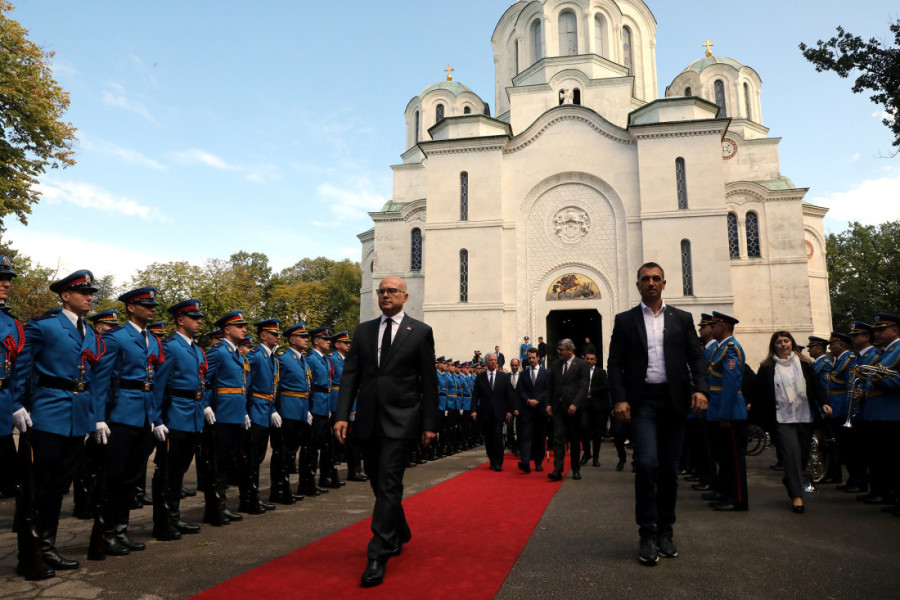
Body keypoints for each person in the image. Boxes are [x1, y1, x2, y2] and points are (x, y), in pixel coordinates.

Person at [333, 276, 439, 588]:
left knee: (390, 481)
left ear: (405, 297)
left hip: (403, 418)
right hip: (369, 418)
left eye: (392, 291)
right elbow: (350, 375)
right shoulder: (364, 331)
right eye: (381, 291)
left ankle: (378, 553)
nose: (385, 295)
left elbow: (429, 381)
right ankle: (399, 529)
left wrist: (430, 424)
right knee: (377, 480)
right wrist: (342, 415)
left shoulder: (420, 331)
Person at [607, 262, 708, 566]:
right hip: (643, 403)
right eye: (645, 279)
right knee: (647, 464)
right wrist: (619, 399)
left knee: (669, 470)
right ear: (638, 284)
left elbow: (696, 357)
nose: (650, 283)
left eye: (656, 279)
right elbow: (614, 363)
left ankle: (666, 532)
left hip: (674, 401)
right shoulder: (625, 320)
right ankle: (647, 534)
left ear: (664, 283)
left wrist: (701, 389)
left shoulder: (681, 319)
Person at [12, 270, 102, 579]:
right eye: (83, 292)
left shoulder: (89, 332)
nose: (89, 297)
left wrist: (94, 417)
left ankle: (47, 546)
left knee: (60, 485)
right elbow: (20, 366)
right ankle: (30, 552)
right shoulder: (44, 326)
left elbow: (91, 378)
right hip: (48, 411)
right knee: (40, 485)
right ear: (65, 296)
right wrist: (16, 404)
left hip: (77, 416)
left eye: (91, 293)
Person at [92, 287, 165, 555]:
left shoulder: (152, 340)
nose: (152, 309)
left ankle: (121, 529)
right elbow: (101, 379)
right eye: (146, 305)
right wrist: (99, 417)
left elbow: (153, 383)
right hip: (120, 413)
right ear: (131, 308)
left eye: (153, 306)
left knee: (132, 478)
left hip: (143, 415)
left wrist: (155, 417)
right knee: (114, 476)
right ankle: (106, 533)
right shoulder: (116, 337)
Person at [754, 331, 830, 513]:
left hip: (804, 417)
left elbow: (816, 387)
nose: (783, 344)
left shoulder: (805, 364)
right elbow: (759, 394)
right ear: (774, 346)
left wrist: (824, 403)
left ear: (792, 343)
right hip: (782, 419)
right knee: (791, 455)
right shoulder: (766, 367)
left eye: (786, 341)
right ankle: (797, 496)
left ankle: (790, 479)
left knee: (803, 457)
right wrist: (755, 421)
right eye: (779, 342)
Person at [151, 299, 207, 537]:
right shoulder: (170, 346)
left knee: (180, 471)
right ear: (180, 320)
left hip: (193, 415)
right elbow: (159, 386)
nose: (198, 322)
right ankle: (162, 521)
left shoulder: (196, 348)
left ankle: (174, 515)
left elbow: (202, 383)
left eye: (199, 318)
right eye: (194, 318)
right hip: (175, 415)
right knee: (167, 471)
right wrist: (157, 419)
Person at [202, 310, 252, 525]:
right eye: (239, 326)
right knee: (217, 462)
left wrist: (244, 411)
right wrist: (205, 406)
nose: (244, 329)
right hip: (221, 414)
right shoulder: (218, 352)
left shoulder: (237, 354)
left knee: (227, 462)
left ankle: (221, 505)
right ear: (226, 329)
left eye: (244, 326)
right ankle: (214, 509)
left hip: (234, 414)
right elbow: (205, 380)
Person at [705, 312, 748, 513]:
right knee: (724, 457)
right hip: (718, 408)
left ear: (723, 326)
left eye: (714, 325)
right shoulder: (721, 348)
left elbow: (730, 383)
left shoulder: (730, 348)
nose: (711, 328)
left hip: (730, 412)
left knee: (733, 459)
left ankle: (737, 499)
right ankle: (725, 493)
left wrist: (725, 413)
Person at [858, 314, 900, 509]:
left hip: (892, 413)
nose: (877, 333)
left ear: (894, 331)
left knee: (893, 459)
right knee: (882, 459)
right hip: (878, 413)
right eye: (876, 330)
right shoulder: (886, 352)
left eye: (882, 330)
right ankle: (887, 494)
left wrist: (883, 382)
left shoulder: (897, 349)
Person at [243, 319, 282, 514]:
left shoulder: (271, 357)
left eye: (278, 334)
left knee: (258, 456)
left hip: (266, 409)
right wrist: (245, 410)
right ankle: (249, 499)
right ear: (263, 335)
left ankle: (254, 496)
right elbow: (246, 384)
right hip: (256, 410)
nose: (277, 337)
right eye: (273, 334)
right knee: (252, 457)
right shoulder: (255, 355)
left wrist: (273, 409)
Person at [275, 323, 313, 499]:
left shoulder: (302, 359)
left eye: (307, 337)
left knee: (293, 450)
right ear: (292, 339)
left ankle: (286, 488)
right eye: (302, 337)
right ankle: (281, 489)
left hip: (301, 409)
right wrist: (275, 409)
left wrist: (307, 409)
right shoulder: (283, 358)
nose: (306, 339)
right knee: (284, 451)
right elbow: (276, 384)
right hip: (288, 409)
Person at [547, 338, 589, 481]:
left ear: (570, 350)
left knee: (574, 440)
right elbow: (550, 385)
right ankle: (557, 469)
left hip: (573, 409)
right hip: (558, 408)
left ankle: (575, 469)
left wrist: (575, 404)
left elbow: (584, 386)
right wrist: (548, 404)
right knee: (558, 439)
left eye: (561, 350)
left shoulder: (582, 364)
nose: (558, 352)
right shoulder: (556, 364)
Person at [0, 258, 22, 499]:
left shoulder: (12, 323)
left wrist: (17, 403)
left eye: (7, 280)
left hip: (3, 398)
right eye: (0, 279)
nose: (6, 284)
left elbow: (17, 367)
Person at [471, 352, 513, 471]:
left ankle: (499, 462)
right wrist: (473, 410)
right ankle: (492, 460)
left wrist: (509, 410)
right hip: (485, 413)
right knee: (488, 438)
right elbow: (475, 395)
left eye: (495, 360)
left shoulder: (503, 377)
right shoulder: (480, 377)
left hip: (499, 413)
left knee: (498, 437)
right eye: (491, 360)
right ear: (486, 362)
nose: (493, 362)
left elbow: (509, 395)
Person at [516, 348, 550, 473]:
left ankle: (538, 462)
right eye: (529, 358)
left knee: (540, 437)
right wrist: (528, 400)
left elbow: (548, 390)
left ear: (538, 358)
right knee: (526, 436)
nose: (531, 360)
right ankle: (525, 462)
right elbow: (520, 391)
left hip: (541, 410)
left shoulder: (546, 373)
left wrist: (538, 400)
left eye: (533, 357)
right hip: (527, 410)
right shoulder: (523, 374)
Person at [580, 352, 609, 468]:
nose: (589, 361)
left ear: (595, 361)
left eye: (591, 359)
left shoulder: (601, 372)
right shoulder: (580, 371)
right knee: (584, 428)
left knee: (598, 433)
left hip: (598, 406)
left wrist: (591, 390)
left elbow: (606, 386)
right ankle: (587, 453)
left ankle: (596, 457)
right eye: (587, 359)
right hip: (584, 405)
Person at [506, 358, 521, 454]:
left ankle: (519, 446)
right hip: (509, 407)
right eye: (513, 365)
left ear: (519, 365)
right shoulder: (506, 377)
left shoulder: (523, 376)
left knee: (520, 428)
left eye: (516, 365)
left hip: (520, 407)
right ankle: (512, 445)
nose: (514, 367)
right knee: (509, 427)